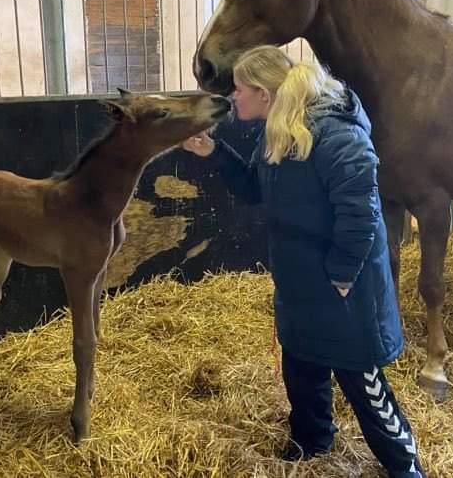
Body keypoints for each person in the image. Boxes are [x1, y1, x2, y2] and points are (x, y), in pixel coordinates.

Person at [182, 46, 425, 477]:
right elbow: (257, 188)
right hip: (301, 279)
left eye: (238, 90)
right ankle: (311, 441)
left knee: (362, 383)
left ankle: (403, 464)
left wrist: (344, 274)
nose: (232, 98)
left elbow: (361, 213)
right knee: (302, 367)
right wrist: (214, 153)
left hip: (341, 284)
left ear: (263, 92)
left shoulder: (335, 133)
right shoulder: (279, 128)